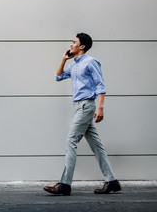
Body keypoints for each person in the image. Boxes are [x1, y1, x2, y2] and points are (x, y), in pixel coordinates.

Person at [44, 33, 121, 196]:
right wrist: (64, 59)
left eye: (74, 42)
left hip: (87, 105)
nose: (71, 44)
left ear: (82, 46)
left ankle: (65, 184)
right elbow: (58, 77)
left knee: (71, 139)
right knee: (96, 145)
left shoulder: (90, 62)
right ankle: (112, 181)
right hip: (78, 106)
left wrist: (100, 107)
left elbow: (100, 84)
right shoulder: (74, 65)